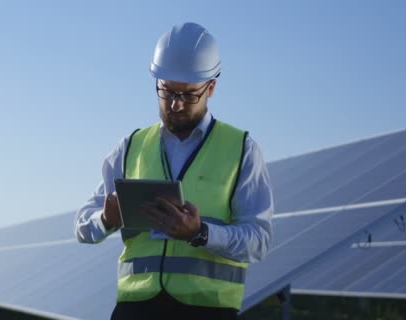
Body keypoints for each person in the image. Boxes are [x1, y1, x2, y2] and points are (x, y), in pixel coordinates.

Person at [74, 22, 273, 320]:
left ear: (211, 88)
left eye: (189, 95)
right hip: (135, 308)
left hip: (208, 310)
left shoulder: (241, 149)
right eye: (167, 92)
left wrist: (201, 233)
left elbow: (258, 242)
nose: (176, 105)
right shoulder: (131, 146)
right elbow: (81, 226)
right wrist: (105, 219)